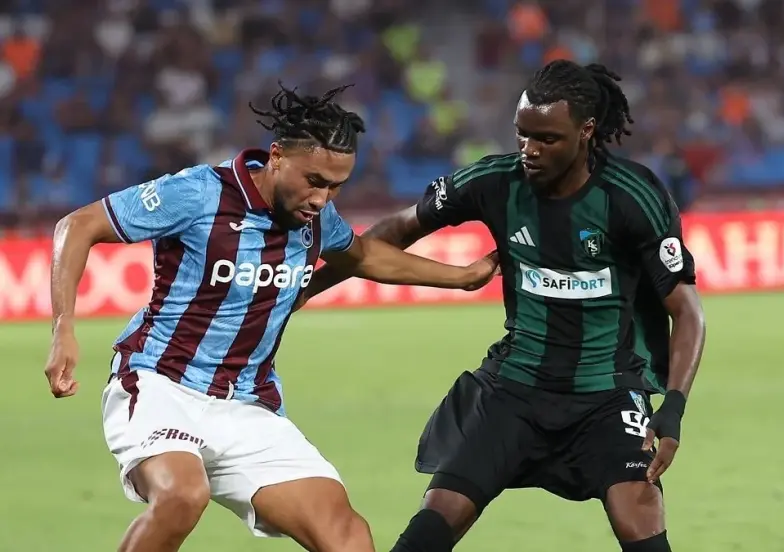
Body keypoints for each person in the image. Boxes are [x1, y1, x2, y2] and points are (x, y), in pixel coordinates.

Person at [43, 84, 498, 552]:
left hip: (248, 403)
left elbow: (362, 256)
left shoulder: (314, 217)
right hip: (162, 385)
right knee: (182, 495)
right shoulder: (198, 192)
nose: (321, 199)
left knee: (348, 537)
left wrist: (464, 277)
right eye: (314, 180)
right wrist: (63, 330)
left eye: (335, 186)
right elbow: (77, 225)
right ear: (277, 156)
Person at [303, 61, 707, 552]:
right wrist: (310, 284)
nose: (530, 150)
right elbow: (397, 230)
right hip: (513, 391)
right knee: (433, 522)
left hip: (608, 395)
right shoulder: (495, 180)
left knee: (640, 518)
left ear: (586, 131)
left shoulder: (632, 195)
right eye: (522, 134)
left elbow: (687, 312)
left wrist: (674, 408)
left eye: (547, 139)